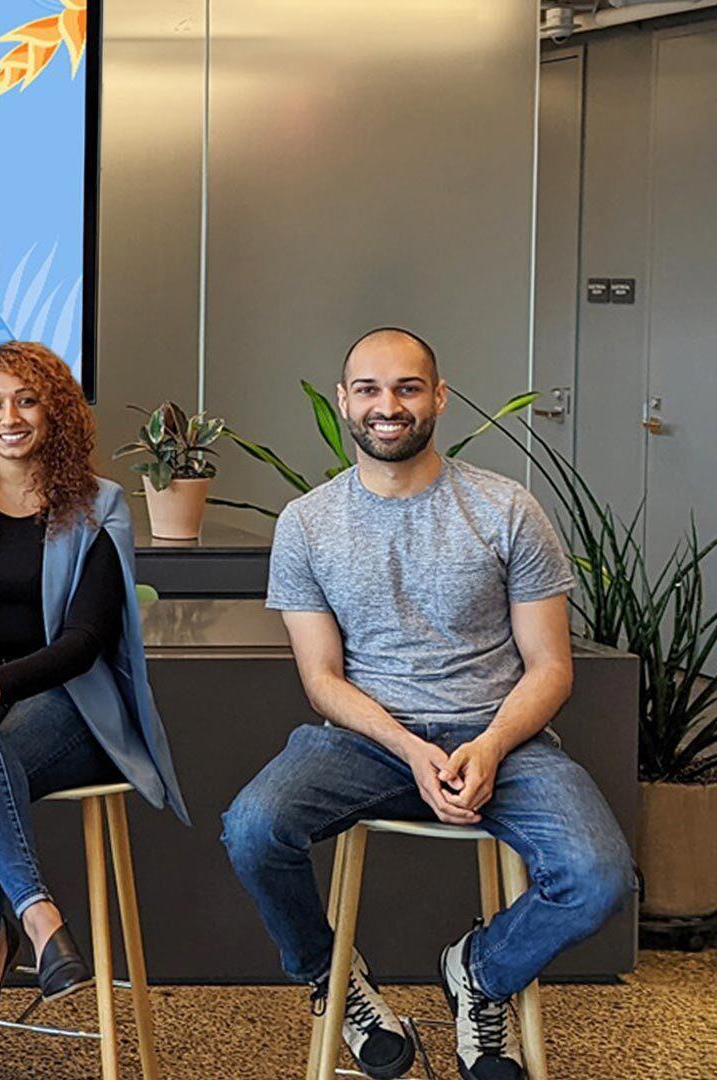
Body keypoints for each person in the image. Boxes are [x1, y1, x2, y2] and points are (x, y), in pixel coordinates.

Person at [221, 328, 634, 1080]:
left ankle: (478, 972)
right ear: (345, 402)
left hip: (500, 736)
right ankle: (331, 977)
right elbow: (322, 679)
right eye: (370, 390)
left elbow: (550, 667)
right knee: (253, 829)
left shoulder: (506, 508)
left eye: (408, 388)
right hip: (365, 738)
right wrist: (411, 749)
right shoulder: (308, 524)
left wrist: (492, 744)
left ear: (438, 397)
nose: (389, 406)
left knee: (600, 879)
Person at [0, 340, 189, 1038]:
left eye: (25, 399)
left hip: (64, 702)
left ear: (56, 410)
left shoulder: (98, 505)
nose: (8, 417)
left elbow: (85, 642)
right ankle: (40, 915)